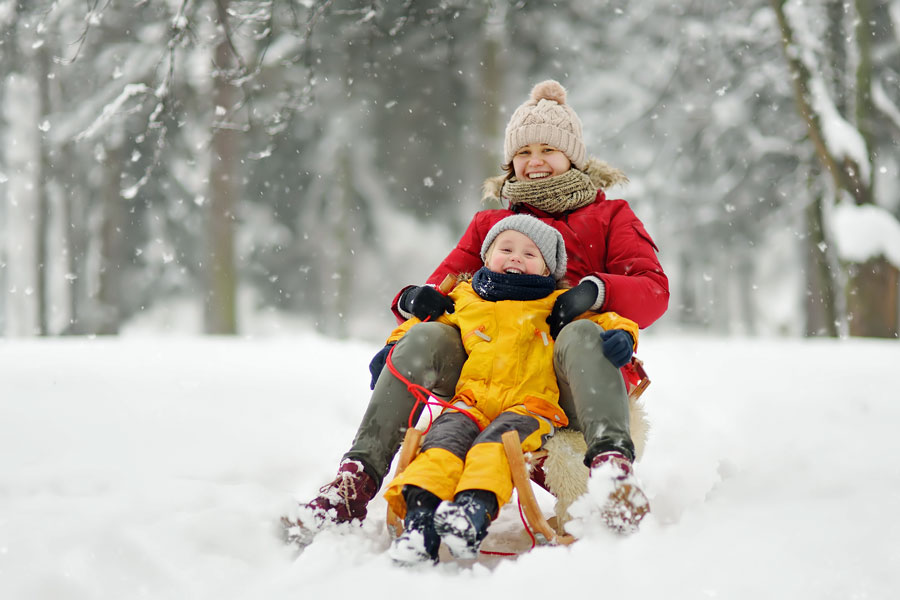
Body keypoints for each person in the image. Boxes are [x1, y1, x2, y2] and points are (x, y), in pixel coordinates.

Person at [283, 79, 668, 547]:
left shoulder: (611, 218)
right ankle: (354, 481)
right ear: (511, 163)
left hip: (563, 385)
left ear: (573, 156)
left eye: (549, 148)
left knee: (580, 335)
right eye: (523, 153)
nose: (536, 161)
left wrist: (595, 292)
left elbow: (653, 291)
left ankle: (612, 472)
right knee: (426, 338)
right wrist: (412, 307)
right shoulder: (492, 226)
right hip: (486, 377)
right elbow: (441, 289)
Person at [382, 214, 640, 564]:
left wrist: (624, 335)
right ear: (487, 257)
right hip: (470, 402)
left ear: (548, 271)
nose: (516, 257)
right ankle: (420, 521)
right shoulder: (466, 298)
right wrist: (392, 346)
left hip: (529, 407)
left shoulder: (555, 304)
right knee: (440, 447)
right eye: (506, 249)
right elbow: (421, 322)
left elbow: (610, 320)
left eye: (531, 254)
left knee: (495, 449)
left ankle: (472, 512)